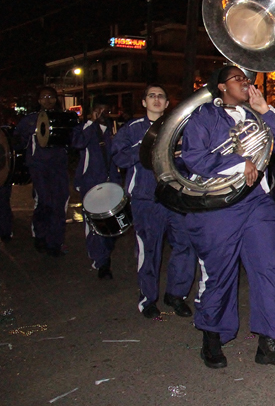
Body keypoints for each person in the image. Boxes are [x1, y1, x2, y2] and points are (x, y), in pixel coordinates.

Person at [180, 66, 275, 370]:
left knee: (273, 265)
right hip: (219, 202)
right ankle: (212, 336)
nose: (245, 82)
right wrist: (238, 161)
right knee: (218, 272)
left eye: (246, 78)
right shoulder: (204, 116)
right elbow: (193, 157)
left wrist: (267, 110)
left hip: (256, 200)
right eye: (237, 78)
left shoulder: (256, 115)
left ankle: (269, 342)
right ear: (221, 86)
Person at [111, 84, 196, 319]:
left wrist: (182, 153)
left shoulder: (178, 127)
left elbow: (192, 160)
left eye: (161, 96)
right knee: (148, 250)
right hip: (146, 199)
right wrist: (144, 147)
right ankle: (148, 299)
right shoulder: (133, 128)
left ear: (168, 104)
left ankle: (176, 295)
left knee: (185, 244)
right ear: (144, 102)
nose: (157, 100)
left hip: (175, 197)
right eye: (152, 96)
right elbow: (118, 156)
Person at [14, 87, 70, 257]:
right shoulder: (30, 120)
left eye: (51, 97)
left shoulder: (63, 118)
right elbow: (17, 141)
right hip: (39, 167)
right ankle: (40, 235)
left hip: (58, 167)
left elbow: (75, 140)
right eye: (44, 97)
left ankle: (55, 243)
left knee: (59, 204)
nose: (48, 100)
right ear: (38, 100)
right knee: (44, 202)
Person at [72, 97, 121, 277]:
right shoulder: (84, 128)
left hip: (110, 183)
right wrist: (90, 123)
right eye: (98, 110)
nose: (101, 113)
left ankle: (105, 252)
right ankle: (100, 261)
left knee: (113, 224)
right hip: (90, 183)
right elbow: (77, 143)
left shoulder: (111, 129)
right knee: (94, 224)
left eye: (104, 110)